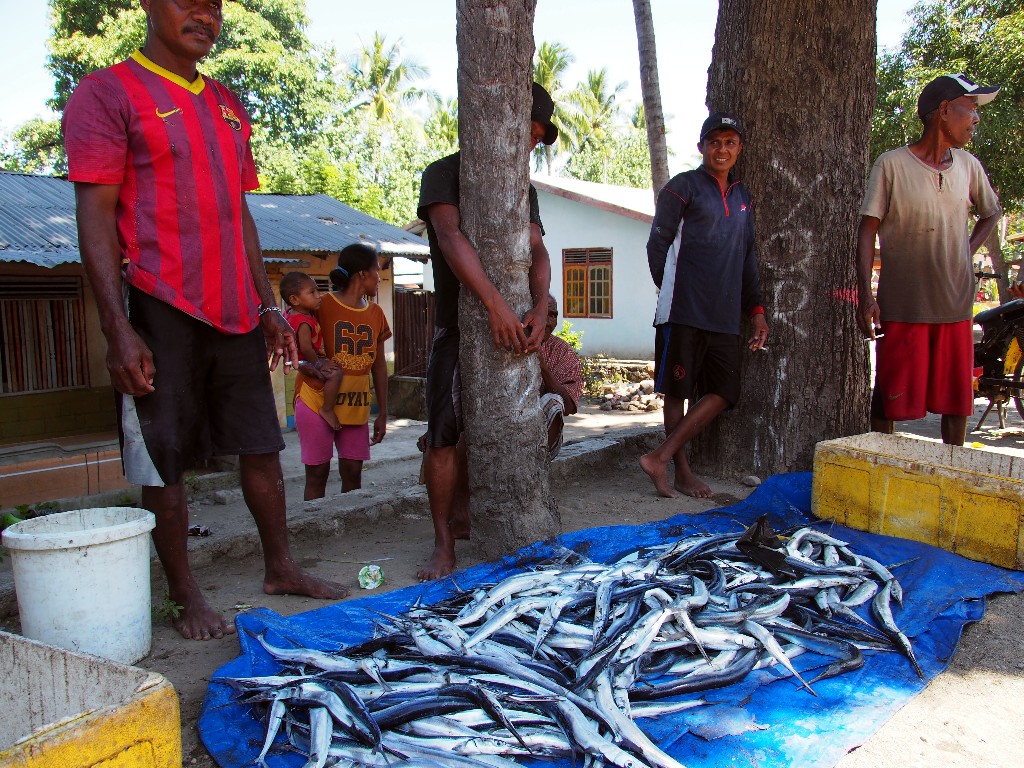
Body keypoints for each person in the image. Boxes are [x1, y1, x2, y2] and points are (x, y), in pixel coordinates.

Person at [62, 0, 347, 640]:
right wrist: (118, 327)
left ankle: (282, 569)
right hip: (160, 306)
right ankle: (187, 596)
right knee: (162, 460)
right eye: (186, 1)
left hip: (236, 312)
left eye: (214, 5)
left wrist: (267, 302)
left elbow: (237, 213)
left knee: (262, 447)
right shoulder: (106, 93)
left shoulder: (226, 101)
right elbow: (96, 219)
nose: (204, 14)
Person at [415, 82, 557, 581]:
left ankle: (469, 513)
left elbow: (537, 250)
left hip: (520, 327)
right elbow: (450, 237)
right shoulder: (445, 173)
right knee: (443, 434)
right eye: (530, 132)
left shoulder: (525, 190)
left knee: (518, 422)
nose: (532, 145)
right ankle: (442, 542)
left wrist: (540, 305)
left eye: (539, 138)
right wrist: (493, 304)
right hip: (459, 326)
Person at [857, 74, 1002, 446]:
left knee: (957, 403)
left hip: (955, 305)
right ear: (943, 110)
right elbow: (866, 230)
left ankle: (950, 480)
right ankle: (881, 475)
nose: (976, 118)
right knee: (889, 399)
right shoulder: (890, 165)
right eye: (970, 108)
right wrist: (866, 298)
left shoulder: (969, 166)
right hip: (904, 305)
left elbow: (991, 212)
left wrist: (965, 251)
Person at [639, 112, 768, 499]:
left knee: (725, 391)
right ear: (702, 147)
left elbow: (747, 257)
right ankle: (680, 470)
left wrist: (757, 311)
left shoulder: (743, 196)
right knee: (678, 390)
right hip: (683, 311)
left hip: (726, 315)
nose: (722, 149)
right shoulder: (683, 187)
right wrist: (674, 292)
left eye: (730, 142)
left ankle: (659, 456)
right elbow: (656, 244)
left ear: (739, 148)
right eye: (715, 142)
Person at [293, 244, 391, 498]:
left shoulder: (377, 313)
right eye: (376, 271)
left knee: (353, 473)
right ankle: (312, 532)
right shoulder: (321, 306)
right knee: (317, 474)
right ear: (362, 274)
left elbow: (379, 367)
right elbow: (299, 344)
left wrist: (382, 412)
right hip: (316, 399)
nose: (379, 278)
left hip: (356, 404)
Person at [280, 272, 345, 431]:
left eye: (317, 291)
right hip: (307, 359)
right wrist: (318, 364)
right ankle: (327, 409)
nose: (318, 296)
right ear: (294, 299)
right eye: (312, 292)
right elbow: (306, 347)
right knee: (336, 373)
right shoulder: (303, 321)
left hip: (301, 360)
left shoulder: (292, 313)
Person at [539, 295, 583, 460]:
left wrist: (543, 366)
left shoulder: (562, 352)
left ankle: (541, 463)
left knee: (553, 402)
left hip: (541, 426)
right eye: (543, 314)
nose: (549, 322)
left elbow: (570, 405)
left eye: (553, 315)